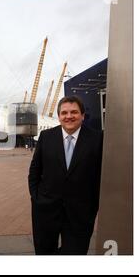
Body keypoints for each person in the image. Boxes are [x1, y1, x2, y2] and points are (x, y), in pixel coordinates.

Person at [28, 96, 103, 255]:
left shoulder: (98, 139)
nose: (69, 116)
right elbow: (34, 171)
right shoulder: (46, 137)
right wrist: (36, 198)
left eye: (74, 112)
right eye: (64, 113)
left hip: (80, 213)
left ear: (83, 115)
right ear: (59, 116)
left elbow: (100, 176)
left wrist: (92, 207)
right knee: (44, 254)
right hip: (46, 210)